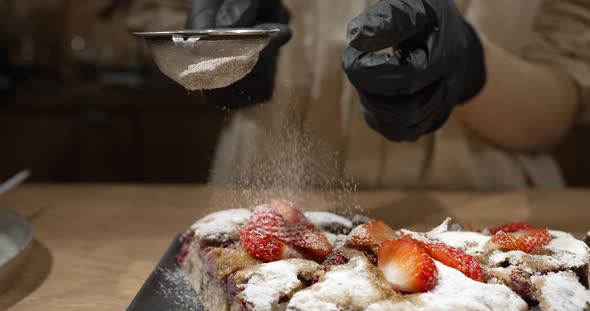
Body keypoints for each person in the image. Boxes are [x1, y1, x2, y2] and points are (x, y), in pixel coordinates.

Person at [129, 0, 590, 190]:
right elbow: (164, 32)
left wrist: (472, 68)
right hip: (265, 206)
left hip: (485, 211)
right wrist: (209, 59)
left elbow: (562, 101)